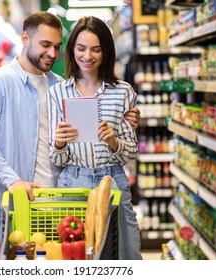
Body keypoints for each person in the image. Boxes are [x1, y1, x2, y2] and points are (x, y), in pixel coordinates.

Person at [0, 11, 140, 243]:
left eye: (57, 46)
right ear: (25, 39)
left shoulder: (59, 86)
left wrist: (124, 118)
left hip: (61, 197)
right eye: (45, 44)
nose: (51, 53)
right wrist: (12, 180)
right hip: (22, 199)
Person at [47, 16, 142, 260]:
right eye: (81, 48)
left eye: (96, 49)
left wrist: (113, 141)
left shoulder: (123, 92)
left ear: (106, 52)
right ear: (72, 50)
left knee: (126, 255)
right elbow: (55, 156)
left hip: (113, 180)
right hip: (73, 181)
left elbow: (131, 152)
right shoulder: (58, 92)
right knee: (74, 257)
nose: (87, 56)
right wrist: (59, 142)